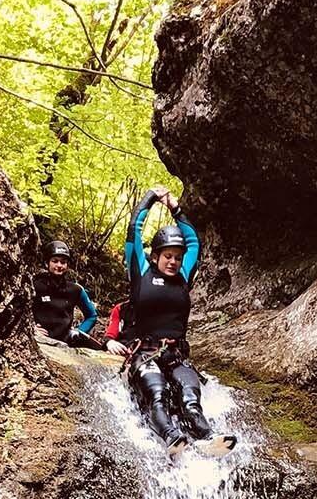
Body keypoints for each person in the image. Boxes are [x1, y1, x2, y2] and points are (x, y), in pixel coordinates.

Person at [122, 188, 233, 454]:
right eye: (167, 256)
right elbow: (133, 230)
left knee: (191, 399)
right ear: (156, 256)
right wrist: (150, 198)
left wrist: (176, 208)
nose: (173, 261)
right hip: (146, 353)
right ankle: (172, 437)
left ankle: (208, 437)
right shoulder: (141, 271)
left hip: (176, 354)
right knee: (157, 395)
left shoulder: (184, 275)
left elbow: (194, 242)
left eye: (177, 257)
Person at [32, 241, 99, 346]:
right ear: (47, 263)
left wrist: (78, 331)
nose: (59, 265)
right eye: (55, 261)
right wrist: (32, 328)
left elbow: (92, 316)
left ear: (67, 265)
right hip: (40, 341)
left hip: (66, 343)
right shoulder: (34, 286)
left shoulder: (76, 290)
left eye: (63, 262)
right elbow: (18, 312)